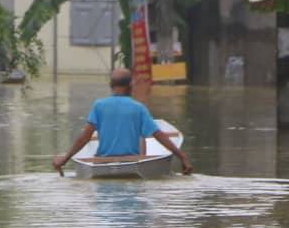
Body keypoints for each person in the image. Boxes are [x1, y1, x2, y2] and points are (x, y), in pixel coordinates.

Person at [53, 68, 193, 174]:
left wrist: (65, 159)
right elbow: (159, 135)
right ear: (131, 86)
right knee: (142, 136)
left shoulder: (99, 106)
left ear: (110, 85)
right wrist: (182, 157)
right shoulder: (138, 108)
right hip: (132, 163)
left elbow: (85, 137)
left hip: (102, 165)